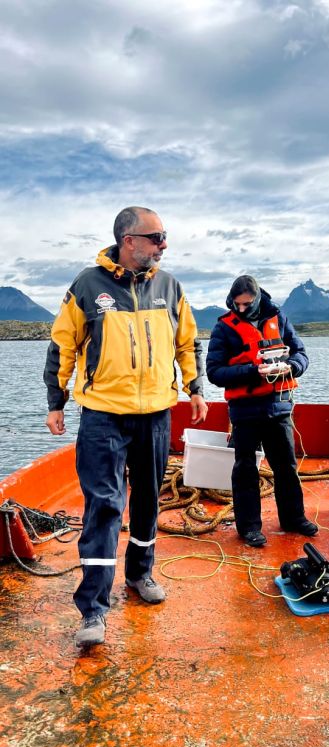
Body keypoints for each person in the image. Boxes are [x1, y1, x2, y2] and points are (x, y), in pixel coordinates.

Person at [44, 206, 208, 647]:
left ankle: (140, 574)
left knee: (149, 499)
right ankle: (93, 610)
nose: (163, 244)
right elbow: (64, 345)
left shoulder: (170, 286)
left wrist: (194, 387)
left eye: (163, 237)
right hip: (103, 415)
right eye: (156, 237)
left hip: (156, 412)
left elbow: (186, 341)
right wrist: (56, 401)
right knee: (104, 505)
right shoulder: (87, 285)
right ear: (127, 239)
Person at [206, 275, 317, 547]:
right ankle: (249, 528)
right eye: (236, 304)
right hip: (245, 411)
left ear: (257, 299)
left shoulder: (279, 319)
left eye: (246, 304)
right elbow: (214, 372)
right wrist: (254, 372)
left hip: (278, 407)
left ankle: (294, 518)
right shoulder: (224, 328)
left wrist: (292, 367)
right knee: (245, 470)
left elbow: (301, 353)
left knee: (286, 467)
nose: (240, 309)